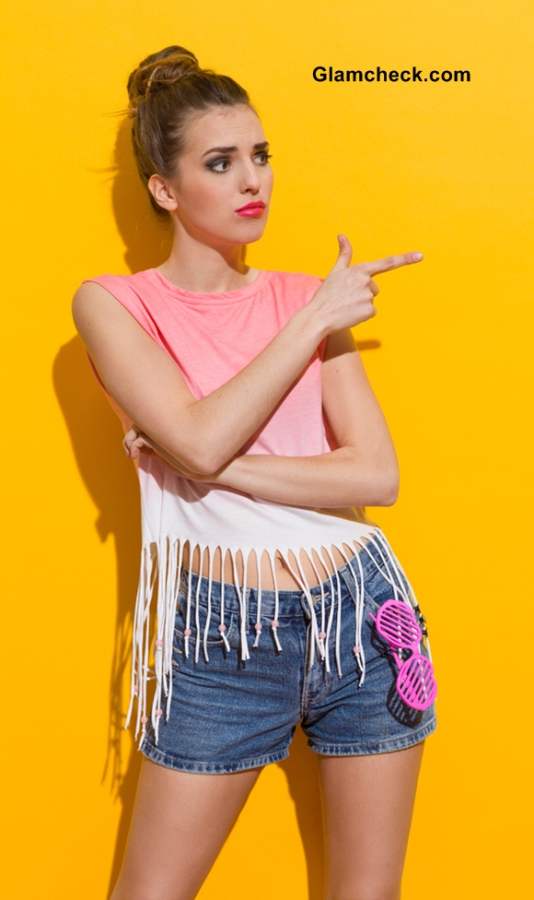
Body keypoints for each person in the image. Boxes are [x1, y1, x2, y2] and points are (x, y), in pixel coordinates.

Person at [72, 44, 438, 900]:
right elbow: (196, 441)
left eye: (262, 157)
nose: (253, 183)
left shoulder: (311, 295)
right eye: (221, 162)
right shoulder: (114, 304)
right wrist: (309, 324)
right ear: (165, 188)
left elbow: (374, 476)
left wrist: (225, 469)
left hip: (363, 616)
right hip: (222, 631)